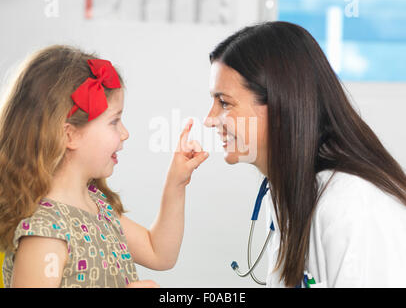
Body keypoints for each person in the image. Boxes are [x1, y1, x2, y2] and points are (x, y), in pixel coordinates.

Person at [204, 21, 406, 287]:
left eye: (224, 103)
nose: (210, 119)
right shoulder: (287, 191)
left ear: (278, 106)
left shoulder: (352, 204)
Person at [0, 45, 209, 288]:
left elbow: (158, 252)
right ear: (70, 135)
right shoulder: (45, 234)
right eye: (114, 121)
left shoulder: (96, 206)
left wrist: (177, 182)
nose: (125, 133)